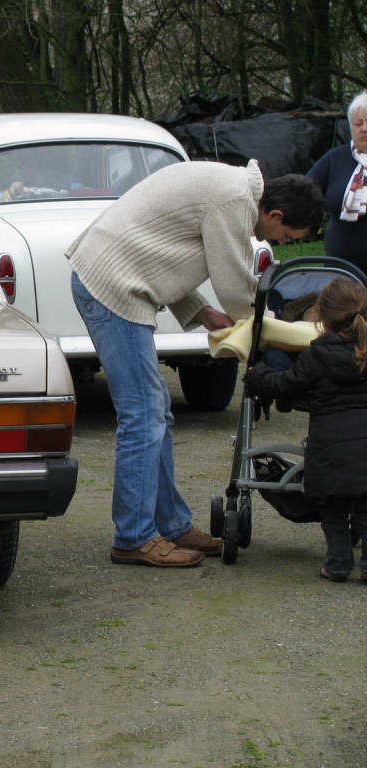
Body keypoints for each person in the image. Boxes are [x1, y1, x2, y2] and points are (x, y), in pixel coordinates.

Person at [67, 160, 325, 567]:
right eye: (287, 235)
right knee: (143, 415)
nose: (282, 242)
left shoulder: (231, 189)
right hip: (111, 287)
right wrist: (282, 331)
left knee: (156, 413)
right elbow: (237, 292)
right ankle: (133, 537)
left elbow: (161, 251)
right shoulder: (235, 200)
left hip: (118, 278)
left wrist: (201, 311)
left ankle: (171, 525)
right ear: (275, 215)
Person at [245, 278, 367, 582]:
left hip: (330, 453)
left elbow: (287, 385)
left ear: (321, 318)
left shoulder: (317, 356)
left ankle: (337, 564)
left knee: (333, 512)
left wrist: (258, 374)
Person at [306, 91, 367, 269]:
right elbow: (303, 190)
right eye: (358, 123)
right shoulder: (335, 158)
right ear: (351, 128)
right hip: (341, 263)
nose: (364, 128)